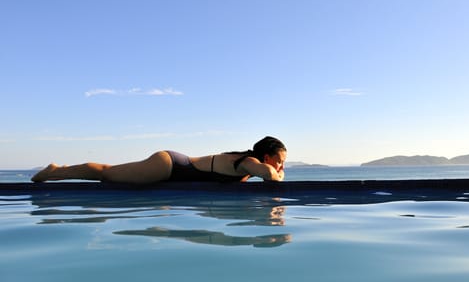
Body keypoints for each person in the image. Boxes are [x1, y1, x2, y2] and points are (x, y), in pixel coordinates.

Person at [31, 136, 287, 184]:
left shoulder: (246, 164)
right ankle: (55, 171)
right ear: (266, 157)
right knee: (107, 172)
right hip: (171, 165)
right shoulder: (249, 163)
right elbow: (270, 175)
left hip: (176, 167)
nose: (281, 166)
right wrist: (279, 174)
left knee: (110, 173)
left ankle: (57, 171)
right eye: (280, 161)